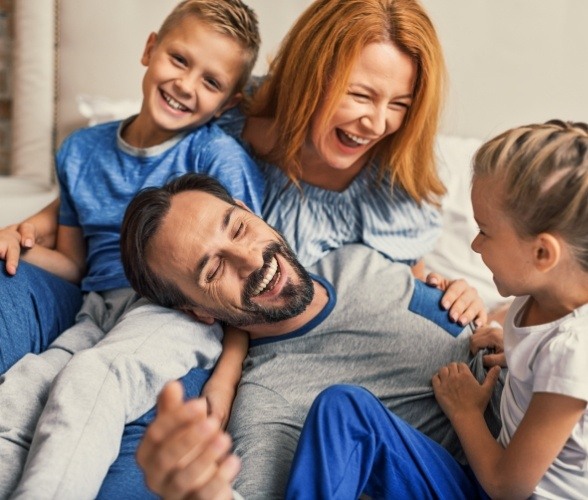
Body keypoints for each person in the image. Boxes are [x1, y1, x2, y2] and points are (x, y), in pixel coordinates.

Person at [0, 1, 264, 499]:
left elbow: (240, 283)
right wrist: (19, 244)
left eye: (211, 82)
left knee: (90, 381)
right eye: (180, 60)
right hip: (97, 310)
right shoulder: (81, 151)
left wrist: (228, 377)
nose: (186, 85)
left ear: (227, 103)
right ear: (150, 49)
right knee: (26, 387)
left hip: (176, 310)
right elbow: (74, 264)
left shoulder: (215, 157)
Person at [120, 172, 504, 498]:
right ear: (198, 311)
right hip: (483, 477)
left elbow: (467, 321)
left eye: (238, 229)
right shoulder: (269, 404)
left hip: (535, 422)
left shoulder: (356, 259)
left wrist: (481, 312)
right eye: (214, 270)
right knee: (344, 406)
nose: (252, 260)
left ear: (250, 211)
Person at [282, 120, 588, 499]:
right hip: (483, 472)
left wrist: (466, 412)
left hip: (500, 487)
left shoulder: (573, 353)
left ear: (542, 253)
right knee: (343, 409)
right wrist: (516, 351)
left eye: (485, 231)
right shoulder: (542, 292)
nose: (475, 245)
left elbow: (507, 486)